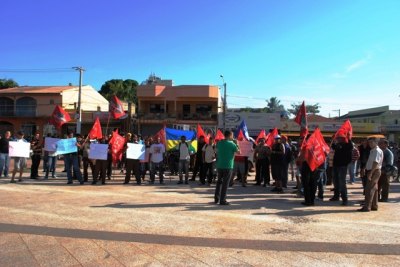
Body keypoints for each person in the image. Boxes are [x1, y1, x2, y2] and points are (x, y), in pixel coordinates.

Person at [214, 130, 239, 205]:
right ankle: (223, 200)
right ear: (230, 135)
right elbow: (239, 152)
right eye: (232, 135)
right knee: (225, 183)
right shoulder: (232, 144)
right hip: (228, 165)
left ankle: (216, 198)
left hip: (220, 165)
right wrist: (236, 144)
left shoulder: (219, 143)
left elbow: (216, 151)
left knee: (219, 182)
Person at [358, 137, 383, 212]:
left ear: (376, 142)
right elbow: (370, 161)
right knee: (374, 189)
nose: (370, 144)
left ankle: (367, 207)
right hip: (373, 170)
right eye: (369, 142)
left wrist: (371, 173)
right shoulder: (373, 150)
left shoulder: (376, 151)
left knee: (369, 189)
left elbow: (375, 162)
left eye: (372, 142)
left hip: (374, 171)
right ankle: (374, 206)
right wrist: (364, 168)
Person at [330, 134, 353, 206]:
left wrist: (348, 138)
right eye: (338, 138)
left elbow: (350, 146)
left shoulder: (348, 144)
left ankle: (345, 199)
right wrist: (333, 140)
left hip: (343, 166)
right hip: (336, 165)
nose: (338, 139)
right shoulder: (337, 144)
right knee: (335, 181)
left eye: (340, 138)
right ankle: (336, 196)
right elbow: (332, 146)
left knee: (342, 183)